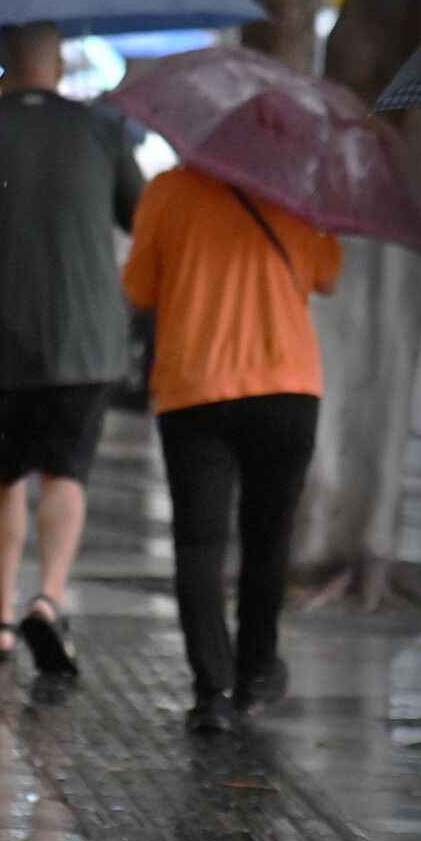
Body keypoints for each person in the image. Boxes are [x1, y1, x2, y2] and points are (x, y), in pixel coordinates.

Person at [0, 20, 145, 672]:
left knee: (5, 474)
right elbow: (144, 218)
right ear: (58, 63)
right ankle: (48, 599)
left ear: (1, 62)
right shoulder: (102, 129)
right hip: (88, 339)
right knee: (66, 472)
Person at [122, 163, 342, 734]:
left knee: (199, 543)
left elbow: (139, 289)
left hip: (195, 390)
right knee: (269, 540)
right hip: (288, 387)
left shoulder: (168, 190)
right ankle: (256, 674)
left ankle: (212, 691)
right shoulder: (297, 187)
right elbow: (328, 274)